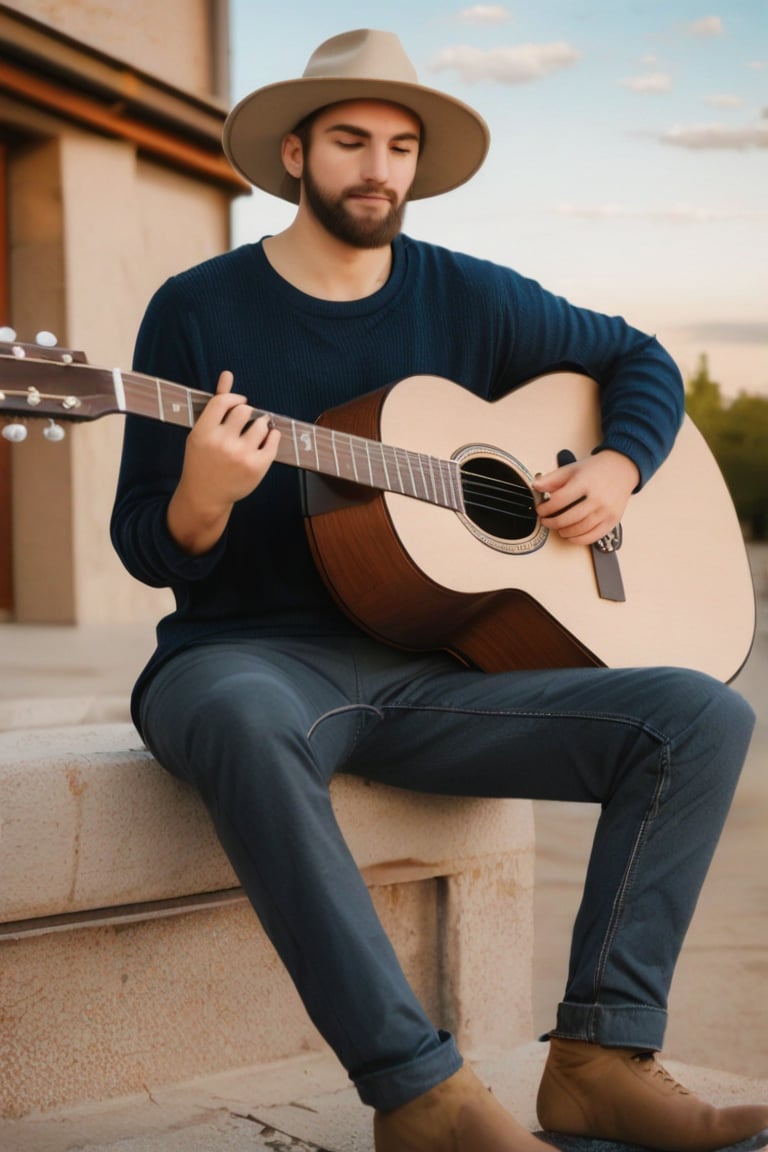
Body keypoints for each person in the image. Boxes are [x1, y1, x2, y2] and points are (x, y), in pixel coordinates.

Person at [110, 28, 766, 1152]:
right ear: (297, 153)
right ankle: (423, 1096)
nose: (379, 168)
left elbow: (639, 361)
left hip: (430, 668)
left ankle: (600, 1059)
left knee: (700, 713)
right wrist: (204, 499)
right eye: (353, 141)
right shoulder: (198, 309)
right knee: (241, 715)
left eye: (401, 146)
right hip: (244, 658)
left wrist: (613, 471)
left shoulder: (467, 296)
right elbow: (143, 540)